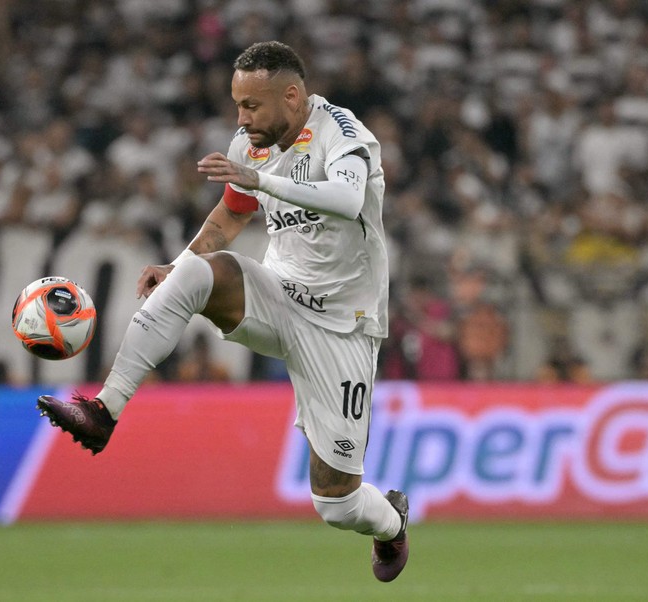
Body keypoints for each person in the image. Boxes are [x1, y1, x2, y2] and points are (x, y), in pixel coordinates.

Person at [35, 41, 408, 582]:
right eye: (237, 105)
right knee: (194, 273)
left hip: (343, 326)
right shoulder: (251, 145)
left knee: (336, 503)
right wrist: (178, 263)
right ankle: (103, 411)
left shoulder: (344, 134)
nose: (242, 118)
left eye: (252, 105)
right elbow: (232, 214)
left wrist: (262, 180)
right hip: (280, 295)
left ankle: (391, 523)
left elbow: (348, 201)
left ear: (292, 96)